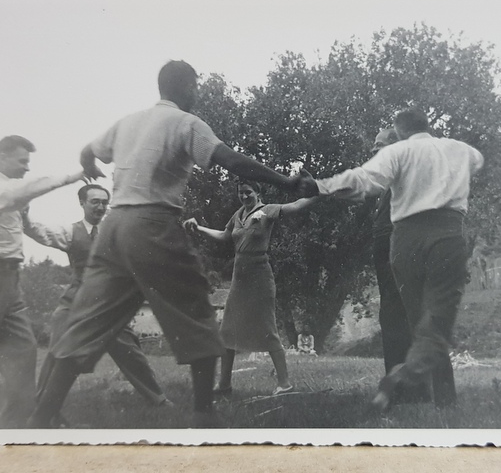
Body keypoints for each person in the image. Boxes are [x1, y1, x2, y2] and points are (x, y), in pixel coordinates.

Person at [28, 60, 307, 429]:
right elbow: (232, 160)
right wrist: (286, 183)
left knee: (86, 320)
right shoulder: (186, 123)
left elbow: (87, 151)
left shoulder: (128, 122)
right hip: (152, 223)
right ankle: (204, 414)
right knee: (196, 308)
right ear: (187, 86)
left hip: (112, 228)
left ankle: (40, 418)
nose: (198, 94)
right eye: (197, 87)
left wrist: (90, 165)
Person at [297, 108, 483, 412]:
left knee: (417, 317)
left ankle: (407, 380)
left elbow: (365, 178)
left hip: (407, 237)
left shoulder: (398, 151)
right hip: (449, 233)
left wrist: (320, 185)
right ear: (427, 124)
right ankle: (435, 393)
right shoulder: (460, 149)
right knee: (437, 316)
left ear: (398, 131)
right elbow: (477, 162)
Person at [24, 184, 171, 425]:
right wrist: (24, 217)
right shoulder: (70, 232)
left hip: (108, 305)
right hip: (75, 301)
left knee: (130, 351)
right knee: (56, 350)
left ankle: (159, 399)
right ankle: (45, 409)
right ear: (82, 203)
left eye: (104, 202)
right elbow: (41, 232)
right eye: (95, 202)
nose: (100, 207)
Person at [0, 135, 84, 428]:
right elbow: (24, 190)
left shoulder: (10, 196)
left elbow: (23, 213)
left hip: (11, 280)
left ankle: (11, 431)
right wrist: (76, 175)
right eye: (22, 161)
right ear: (1, 158)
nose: (26, 168)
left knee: (22, 352)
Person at [185, 181, 317, 396]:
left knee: (267, 328)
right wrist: (198, 228)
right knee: (227, 331)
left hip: (260, 276)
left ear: (258, 193)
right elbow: (225, 236)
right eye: (241, 193)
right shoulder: (238, 214)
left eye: (248, 193)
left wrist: (317, 194)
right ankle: (224, 385)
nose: (244, 197)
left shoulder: (267, 211)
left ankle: (284, 384)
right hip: (240, 277)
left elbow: (295, 206)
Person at [369, 128, 436, 403]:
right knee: (391, 319)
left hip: (401, 255)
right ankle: (399, 388)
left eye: (379, 145)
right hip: (386, 259)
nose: (373, 151)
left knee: (406, 319)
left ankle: (414, 389)